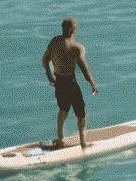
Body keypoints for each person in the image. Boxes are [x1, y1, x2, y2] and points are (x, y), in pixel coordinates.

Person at [42, 16, 99, 149]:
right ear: (74, 30)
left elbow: (45, 60)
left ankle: (61, 139)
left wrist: (50, 76)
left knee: (63, 110)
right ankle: (83, 143)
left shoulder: (54, 42)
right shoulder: (76, 47)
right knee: (81, 113)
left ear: (62, 28)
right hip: (71, 84)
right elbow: (85, 70)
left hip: (59, 83)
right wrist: (93, 85)